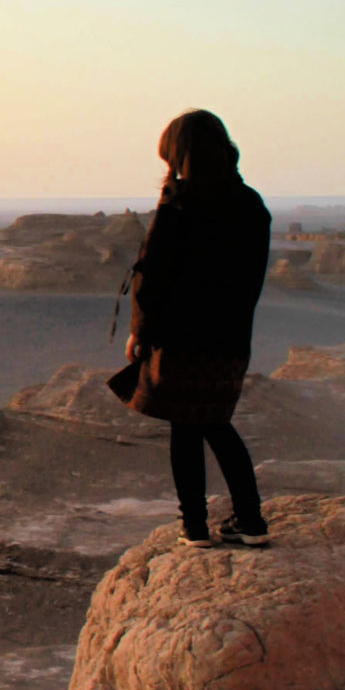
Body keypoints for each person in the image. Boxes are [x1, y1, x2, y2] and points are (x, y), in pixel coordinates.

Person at [123, 109, 273, 549]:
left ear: (178, 154)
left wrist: (140, 331)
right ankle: (249, 520)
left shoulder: (180, 206)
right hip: (229, 337)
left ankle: (195, 527)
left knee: (186, 428)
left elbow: (153, 275)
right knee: (216, 423)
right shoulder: (251, 204)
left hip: (180, 339)